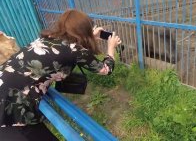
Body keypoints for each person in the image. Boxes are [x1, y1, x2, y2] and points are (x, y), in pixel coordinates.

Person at [0, 9, 121, 140]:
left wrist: (90, 36)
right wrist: (110, 47)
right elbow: (105, 69)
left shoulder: (46, 38)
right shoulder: (75, 50)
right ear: (84, 30)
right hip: (12, 100)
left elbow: (68, 48)